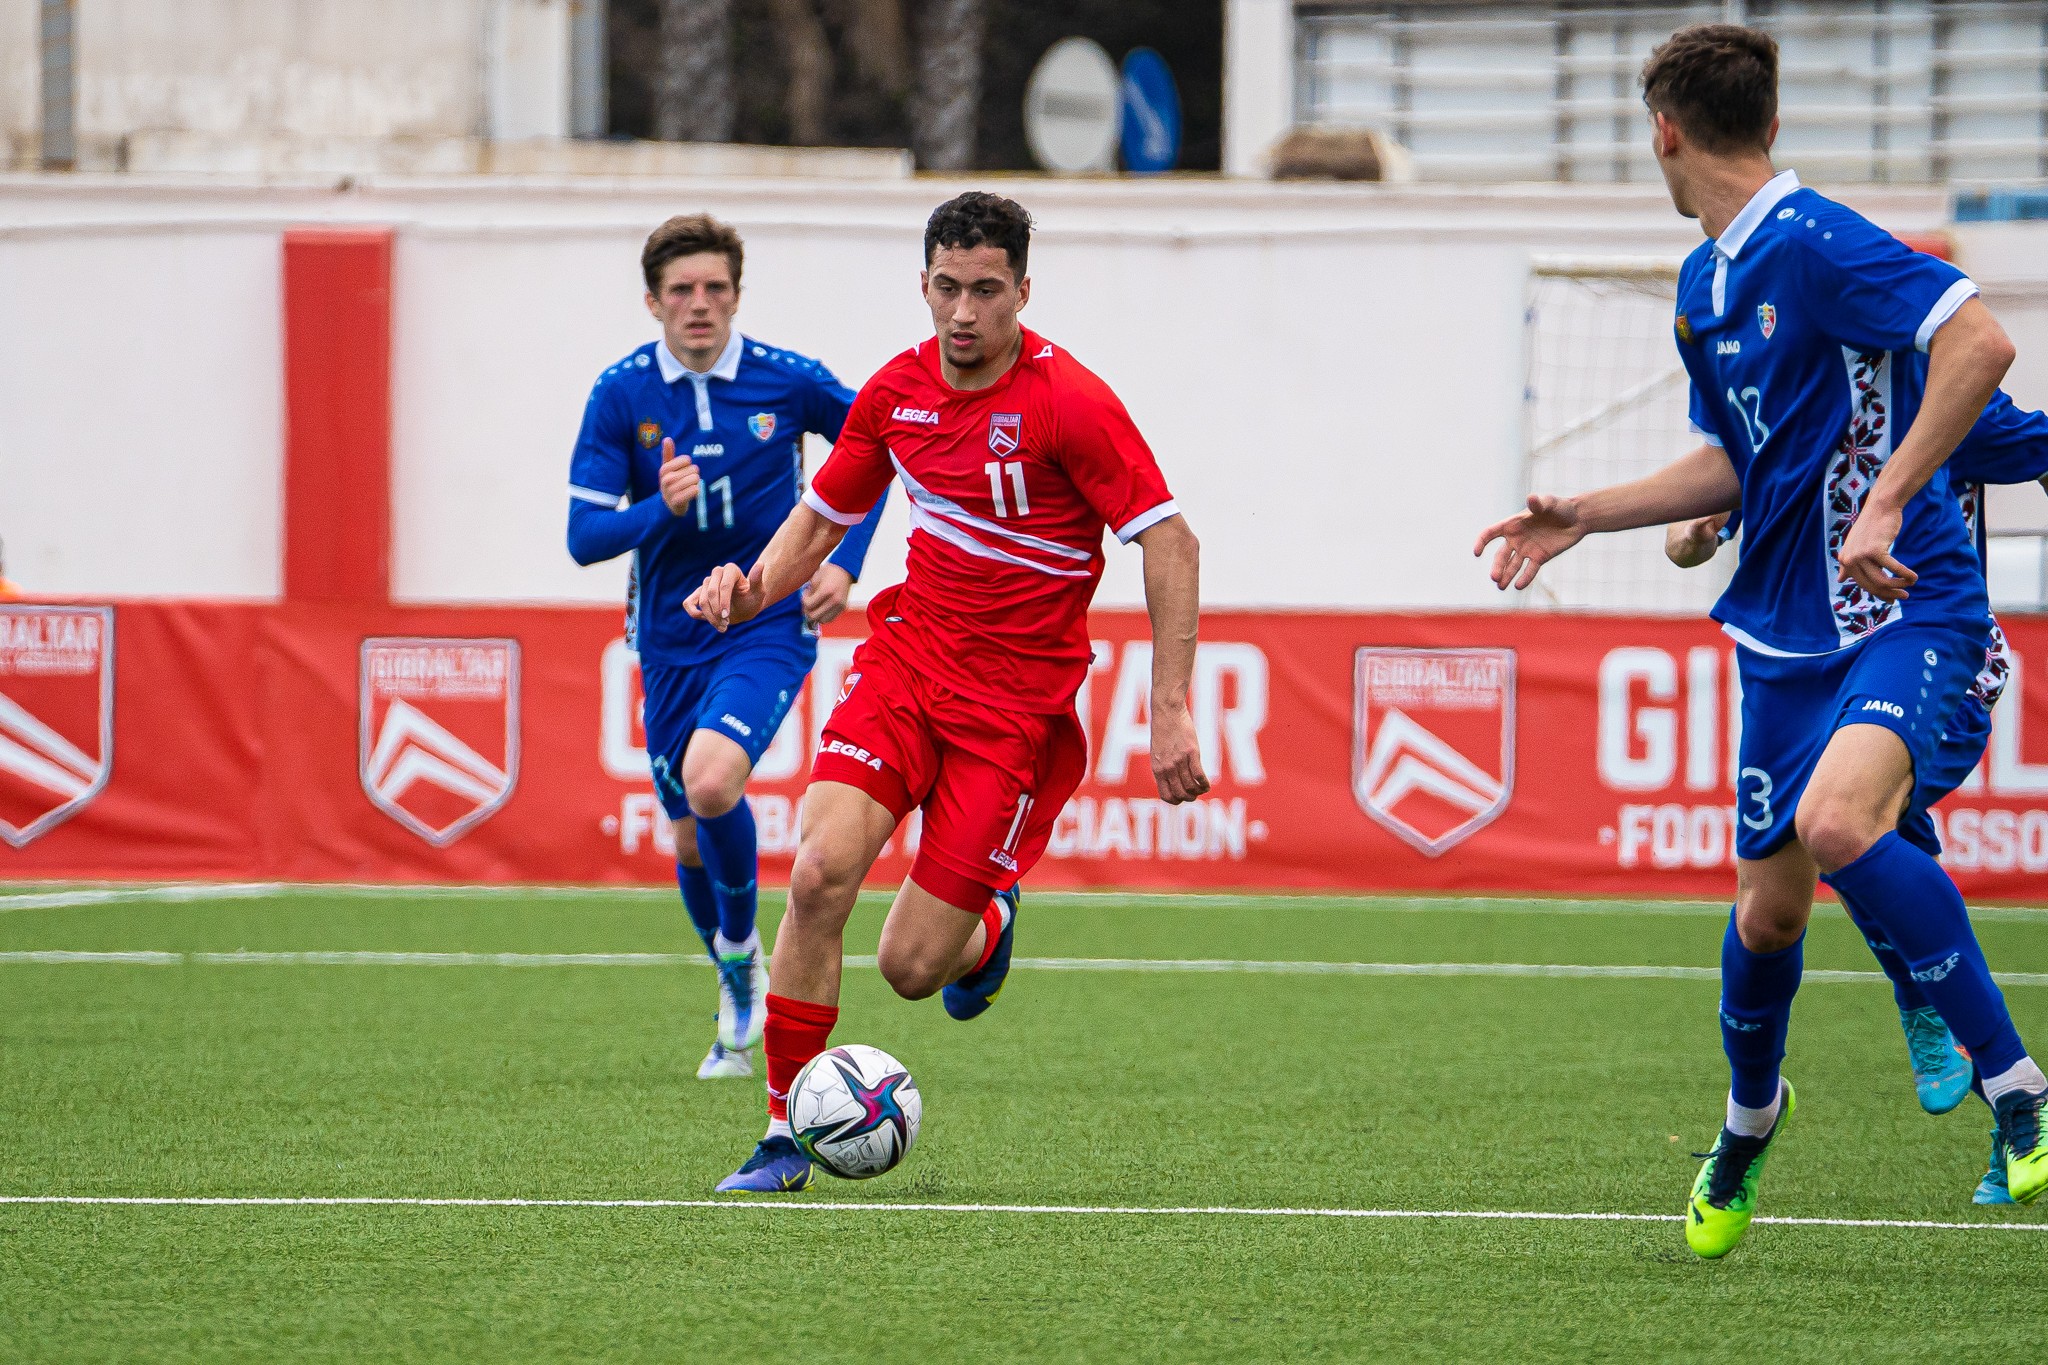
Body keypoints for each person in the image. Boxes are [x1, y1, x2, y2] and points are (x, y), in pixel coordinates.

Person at [1473, 23, 2048, 1256]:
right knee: (1766, 917)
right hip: (1782, 636)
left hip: (1906, 603)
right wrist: (1593, 512)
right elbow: (1740, 459)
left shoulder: (1817, 239)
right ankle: (1745, 1128)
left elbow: (1979, 345)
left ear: (1661, 130)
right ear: (1767, 119)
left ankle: (2018, 1097)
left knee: (1846, 826)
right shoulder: (1704, 285)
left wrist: (1887, 497)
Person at [686, 191, 1208, 1193]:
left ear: (1020, 290)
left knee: (912, 968)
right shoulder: (894, 393)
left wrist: (1169, 703)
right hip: (906, 667)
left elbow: (1169, 540)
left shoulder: (1072, 405)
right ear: (921, 285)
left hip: (1011, 714)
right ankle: (782, 1136)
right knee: (813, 875)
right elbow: (817, 520)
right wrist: (748, 587)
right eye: (944, 289)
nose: (961, 313)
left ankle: (990, 930)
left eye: (983, 291)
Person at [1667, 394, 2048, 1205]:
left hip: (1933, 659)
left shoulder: (1936, 393)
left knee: (1844, 819)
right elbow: (1690, 526)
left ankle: (1991, 1065)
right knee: (1770, 911)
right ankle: (1755, 1114)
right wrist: (1693, 529)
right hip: (1802, 673)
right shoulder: (1787, 398)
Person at [566, 213, 889, 1081]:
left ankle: (743, 949)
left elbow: (881, 446)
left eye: (715, 288)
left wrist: (843, 562)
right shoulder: (622, 392)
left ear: (737, 296)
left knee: (714, 781)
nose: (699, 304)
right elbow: (583, 537)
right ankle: (730, 969)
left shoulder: (786, 380)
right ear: (652, 301)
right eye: (681, 290)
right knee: (686, 838)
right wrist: (655, 511)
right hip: (669, 637)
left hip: (763, 620)